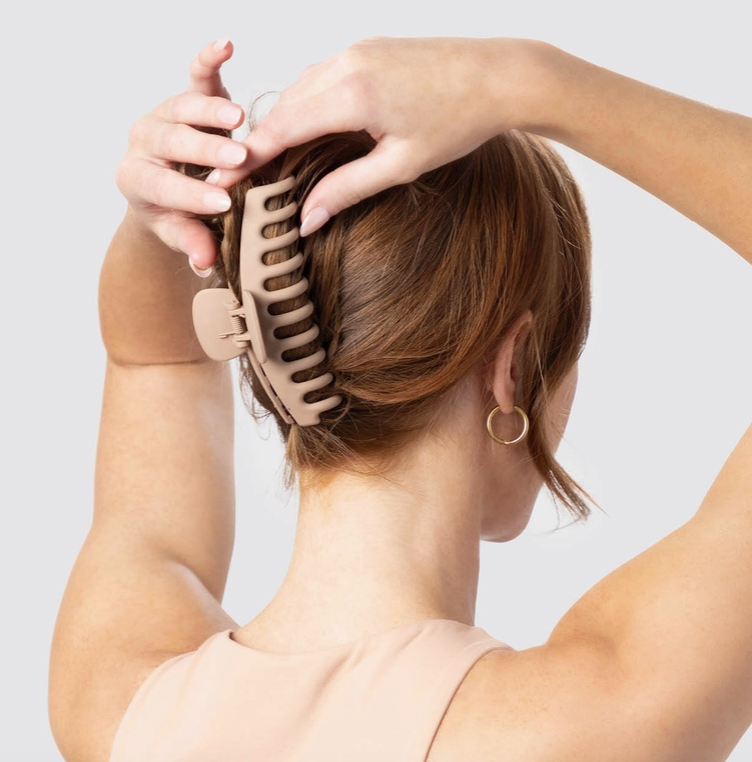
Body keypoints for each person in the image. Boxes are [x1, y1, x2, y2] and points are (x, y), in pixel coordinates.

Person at [48, 36, 752, 762]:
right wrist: (528, 81)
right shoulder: (590, 720)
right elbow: (154, 362)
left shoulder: (119, 703)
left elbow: (154, 361)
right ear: (512, 370)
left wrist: (175, 207)